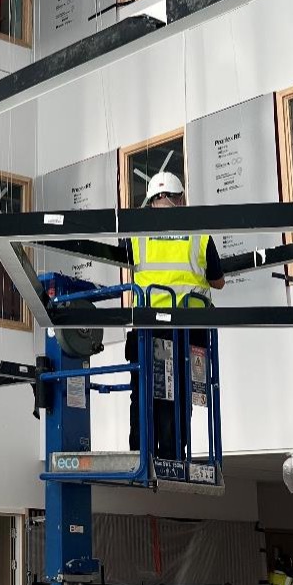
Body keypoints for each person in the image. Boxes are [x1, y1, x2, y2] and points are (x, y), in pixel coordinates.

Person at [125, 171, 224, 460]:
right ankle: (171, 452)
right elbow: (218, 281)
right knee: (177, 392)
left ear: (151, 201)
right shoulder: (199, 233)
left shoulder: (136, 234)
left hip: (147, 327)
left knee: (143, 391)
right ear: (180, 198)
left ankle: (141, 451)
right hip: (186, 328)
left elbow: (123, 265)